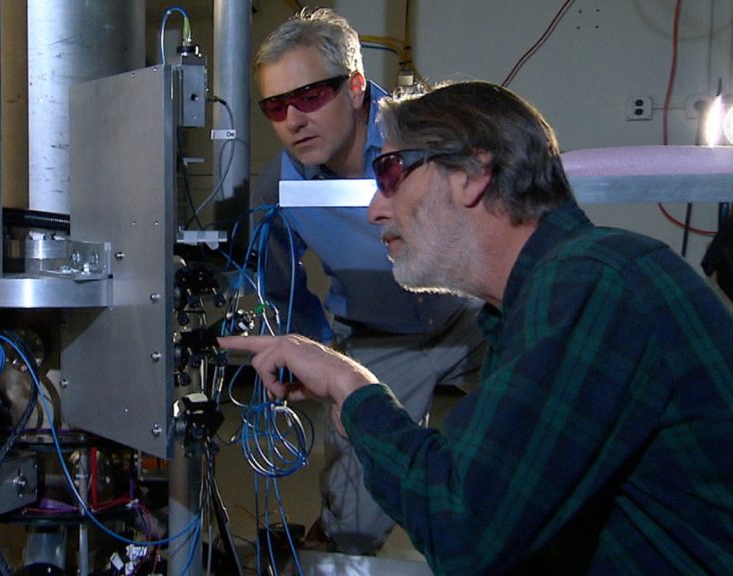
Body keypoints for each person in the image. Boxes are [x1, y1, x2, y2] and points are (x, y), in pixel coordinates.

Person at [223, 80, 733, 573]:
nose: (376, 209)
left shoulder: (594, 284)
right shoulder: (540, 300)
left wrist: (350, 385)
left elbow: (461, 529)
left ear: (471, 173)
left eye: (392, 171)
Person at [250, 8, 487, 554]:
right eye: (277, 106)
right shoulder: (279, 183)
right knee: (352, 522)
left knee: (525, 451)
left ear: (356, 87)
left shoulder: (428, 134)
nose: (294, 120)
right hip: (377, 341)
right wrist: (316, 350)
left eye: (310, 96)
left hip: (467, 318)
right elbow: (276, 274)